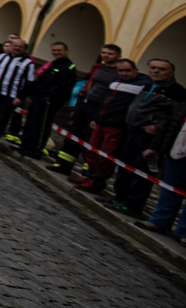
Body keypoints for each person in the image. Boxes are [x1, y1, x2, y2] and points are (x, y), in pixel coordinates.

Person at [106, 59, 183, 216]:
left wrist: (158, 129)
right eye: (153, 68)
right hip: (133, 131)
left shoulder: (177, 92)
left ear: (171, 73)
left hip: (150, 138)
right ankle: (119, 198)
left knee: (141, 172)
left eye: (161, 69)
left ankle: (133, 205)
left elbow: (174, 118)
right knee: (125, 166)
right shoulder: (148, 85)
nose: (155, 71)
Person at [71, 58, 145, 195]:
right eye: (120, 70)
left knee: (106, 156)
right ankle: (89, 176)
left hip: (116, 126)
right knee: (91, 151)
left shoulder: (142, 85)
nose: (123, 73)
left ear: (136, 70)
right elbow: (105, 102)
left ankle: (97, 182)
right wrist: (96, 117)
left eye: (127, 70)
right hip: (101, 122)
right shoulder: (115, 83)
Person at [50, 43, 122, 175]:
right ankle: (63, 164)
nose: (106, 55)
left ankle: (87, 171)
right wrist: (79, 105)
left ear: (118, 56)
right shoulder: (97, 67)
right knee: (73, 136)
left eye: (110, 53)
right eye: (104, 52)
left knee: (90, 140)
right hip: (85, 103)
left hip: (99, 108)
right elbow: (90, 85)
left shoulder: (119, 72)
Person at [137, 67, 186, 241]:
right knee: (171, 187)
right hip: (178, 149)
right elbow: (169, 125)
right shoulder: (183, 103)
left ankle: (183, 232)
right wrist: (156, 147)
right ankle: (160, 221)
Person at [18, 42, 75, 158]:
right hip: (38, 98)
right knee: (30, 122)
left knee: (40, 126)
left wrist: (50, 99)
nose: (56, 52)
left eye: (59, 50)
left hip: (48, 101)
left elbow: (62, 87)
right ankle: (25, 145)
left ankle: (35, 149)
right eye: (54, 50)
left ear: (66, 51)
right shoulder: (53, 63)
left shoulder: (69, 67)